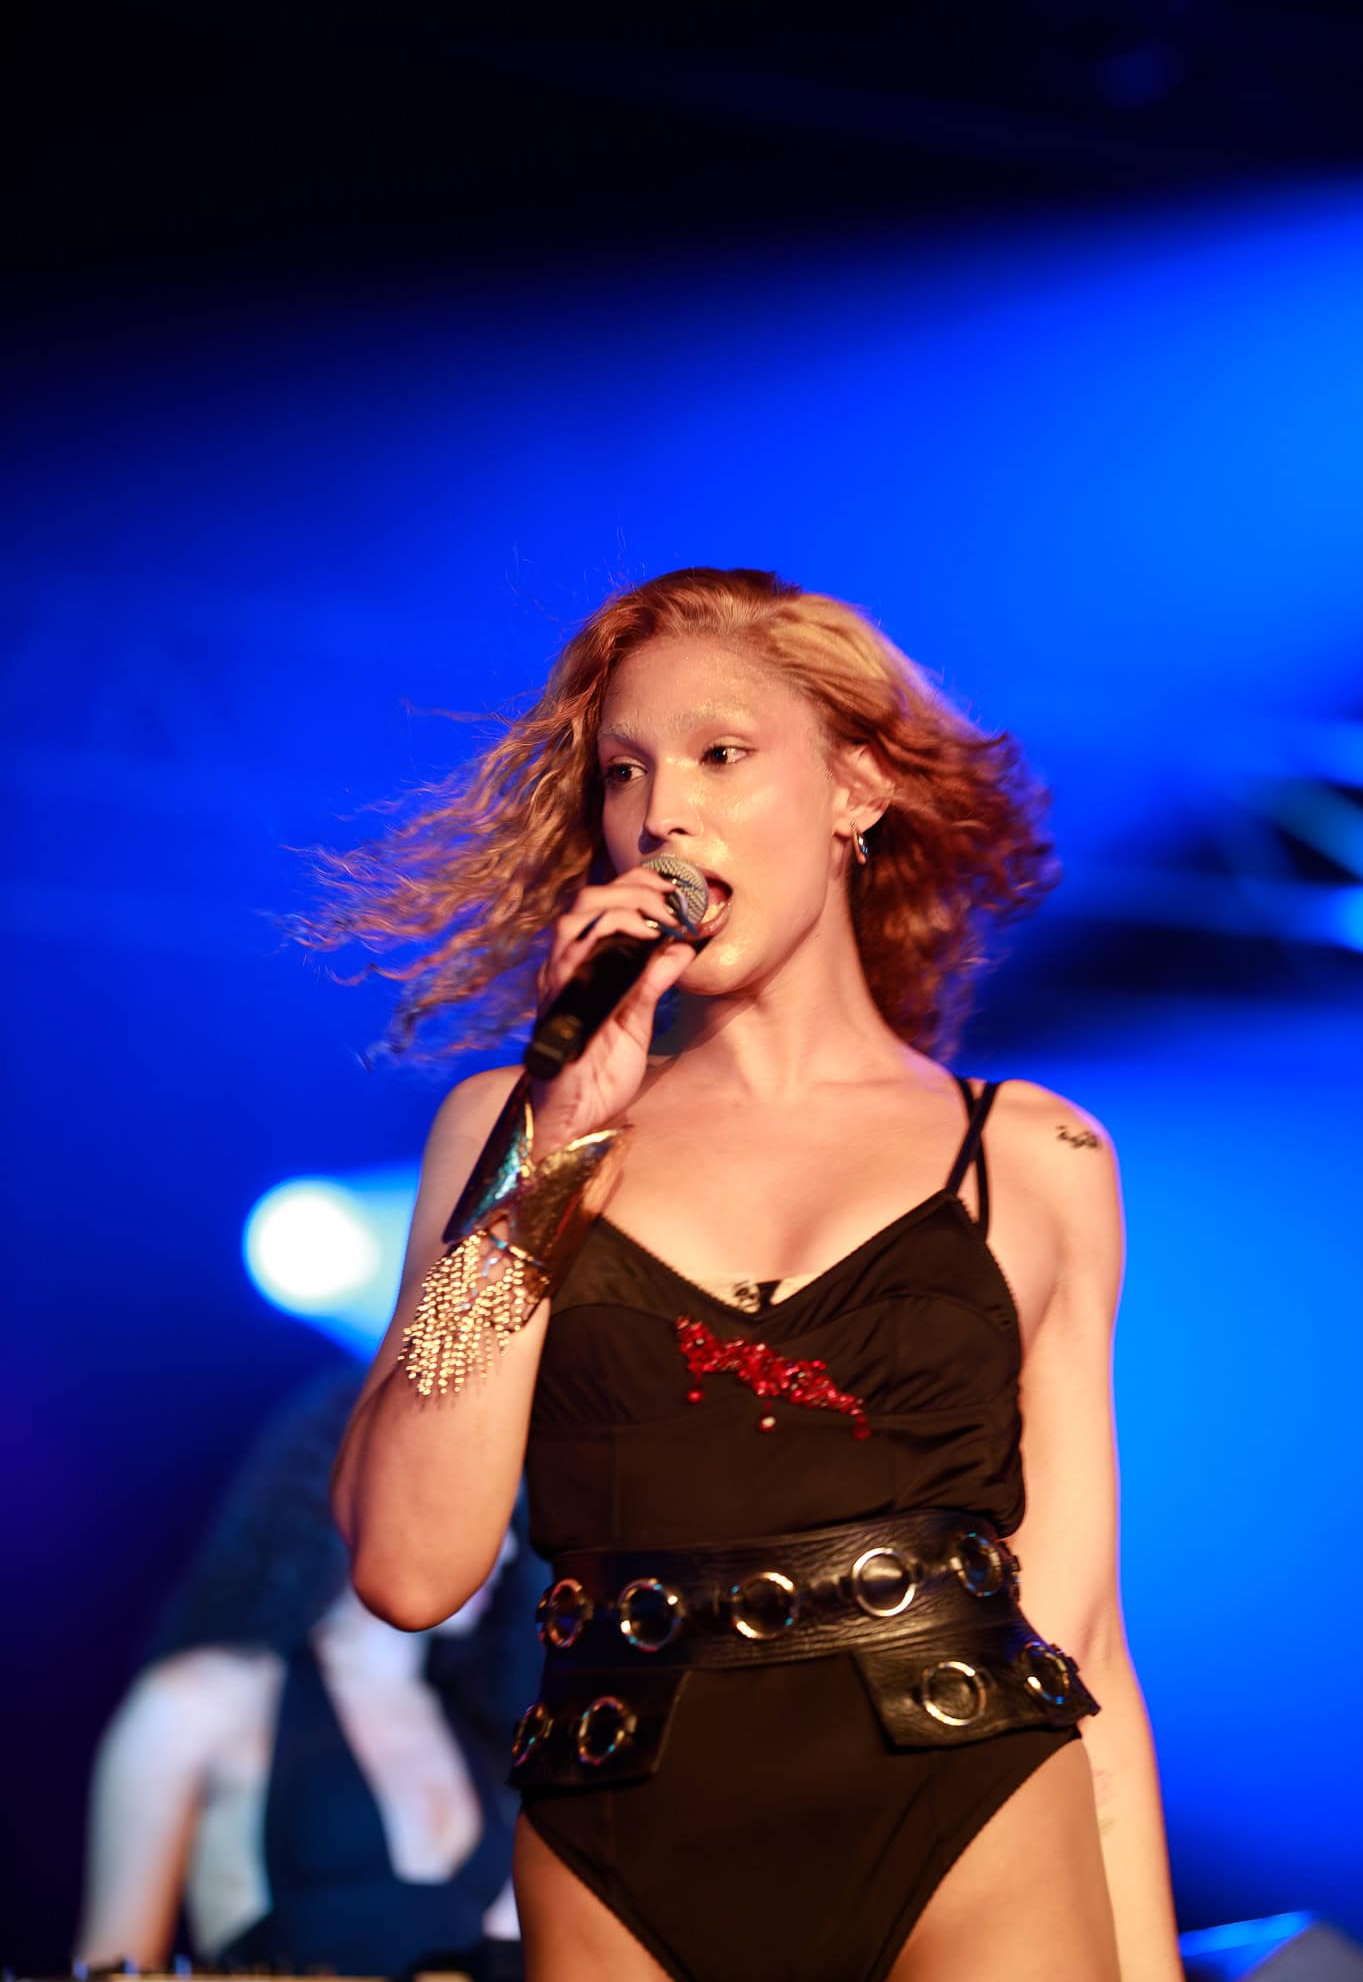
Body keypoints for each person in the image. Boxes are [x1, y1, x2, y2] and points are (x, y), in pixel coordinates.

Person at [318, 566, 1184, 1981]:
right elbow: (412, 1565)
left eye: (723, 755)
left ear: (856, 790)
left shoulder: (1031, 1155)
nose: (665, 812)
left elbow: (1080, 1630)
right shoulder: (510, 1137)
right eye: (624, 771)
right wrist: (554, 1151)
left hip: (967, 1813)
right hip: (626, 1840)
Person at [75, 1363, 533, 1978]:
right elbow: (112, 1966)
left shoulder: (488, 1735)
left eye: (507, 1518)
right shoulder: (201, 1702)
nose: (500, 1551)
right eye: (473, 1508)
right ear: (363, 1491)